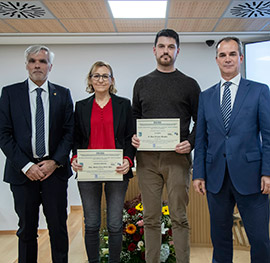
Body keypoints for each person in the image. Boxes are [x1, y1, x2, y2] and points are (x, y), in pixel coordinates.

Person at [193, 37, 270, 263]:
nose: (228, 59)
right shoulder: (206, 96)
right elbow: (201, 138)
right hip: (216, 177)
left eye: (232, 54)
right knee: (220, 237)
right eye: (223, 55)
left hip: (252, 177)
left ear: (241, 58)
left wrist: (267, 171)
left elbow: (268, 135)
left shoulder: (259, 91)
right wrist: (199, 174)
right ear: (216, 60)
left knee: (259, 238)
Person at [132, 29, 201, 263]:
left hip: (177, 159)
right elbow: (135, 117)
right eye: (161, 46)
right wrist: (134, 136)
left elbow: (201, 121)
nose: (166, 51)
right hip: (147, 161)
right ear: (154, 50)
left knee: (179, 217)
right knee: (151, 218)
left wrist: (190, 143)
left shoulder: (190, 84)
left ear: (177, 51)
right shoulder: (142, 83)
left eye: (171, 47)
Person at [0, 45, 74, 263]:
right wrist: (26, 166)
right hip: (22, 174)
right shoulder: (10, 93)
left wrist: (54, 163)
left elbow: (69, 132)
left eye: (42, 61)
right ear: (26, 65)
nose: (37, 65)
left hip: (55, 173)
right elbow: (3, 134)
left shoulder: (62, 94)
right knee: (26, 229)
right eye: (33, 61)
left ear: (50, 66)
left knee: (58, 228)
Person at [71, 61, 135, 263]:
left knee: (115, 223)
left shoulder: (124, 104)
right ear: (90, 80)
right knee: (91, 223)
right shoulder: (81, 106)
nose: (100, 79)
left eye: (105, 76)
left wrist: (128, 159)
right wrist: (74, 158)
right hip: (88, 171)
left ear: (112, 80)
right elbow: (76, 138)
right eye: (96, 76)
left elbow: (129, 137)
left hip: (117, 170)